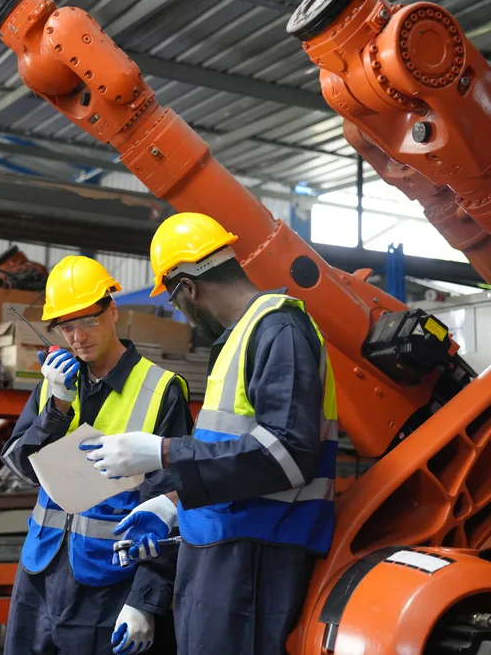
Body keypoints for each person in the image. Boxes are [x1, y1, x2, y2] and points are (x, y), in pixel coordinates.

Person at [80, 213, 338, 655]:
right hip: (224, 553)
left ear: (189, 288)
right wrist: (172, 504)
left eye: (175, 300)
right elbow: (230, 454)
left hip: (258, 560)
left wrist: (163, 452)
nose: (181, 311)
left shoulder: (279, 329)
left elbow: (290, 454)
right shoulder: (242, 339)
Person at [0, 255, 192, 655]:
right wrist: (56, 407)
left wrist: (146, 600)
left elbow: (173, 504)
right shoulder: (53, 386)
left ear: (113, 312)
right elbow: (21, 466)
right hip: (39, 575)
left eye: (88, 320)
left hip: (110, 584)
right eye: (66, 326)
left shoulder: (161, 390)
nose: (77, 337)